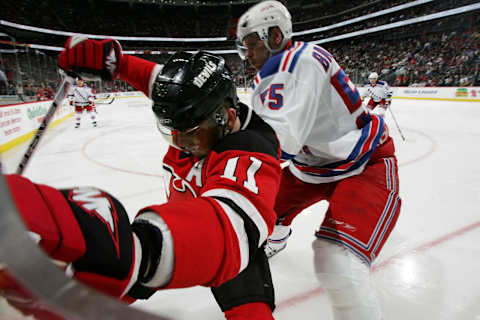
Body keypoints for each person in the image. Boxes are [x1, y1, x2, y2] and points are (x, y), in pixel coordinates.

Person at [1, 38, 282, 320]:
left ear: (228, 117)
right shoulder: (200, 108)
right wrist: (116, 62)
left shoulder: (251, 147)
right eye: (171, 131)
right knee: (88, 290)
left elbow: (230, 226)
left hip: (230, 252)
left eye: (191, 134)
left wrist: (141, 250)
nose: (180, 143)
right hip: (176, 229)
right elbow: (161, 82)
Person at [236, 1, 401, 319]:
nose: (249, 55)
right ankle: (279, 238)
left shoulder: (306, 59)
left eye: (253, 44)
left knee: (336, 262)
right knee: (261, 213)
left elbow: (284, 141)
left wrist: (230, 151)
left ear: (274, 35)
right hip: (311, 165)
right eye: (245, 48)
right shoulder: (261, 84)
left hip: (362, 162)